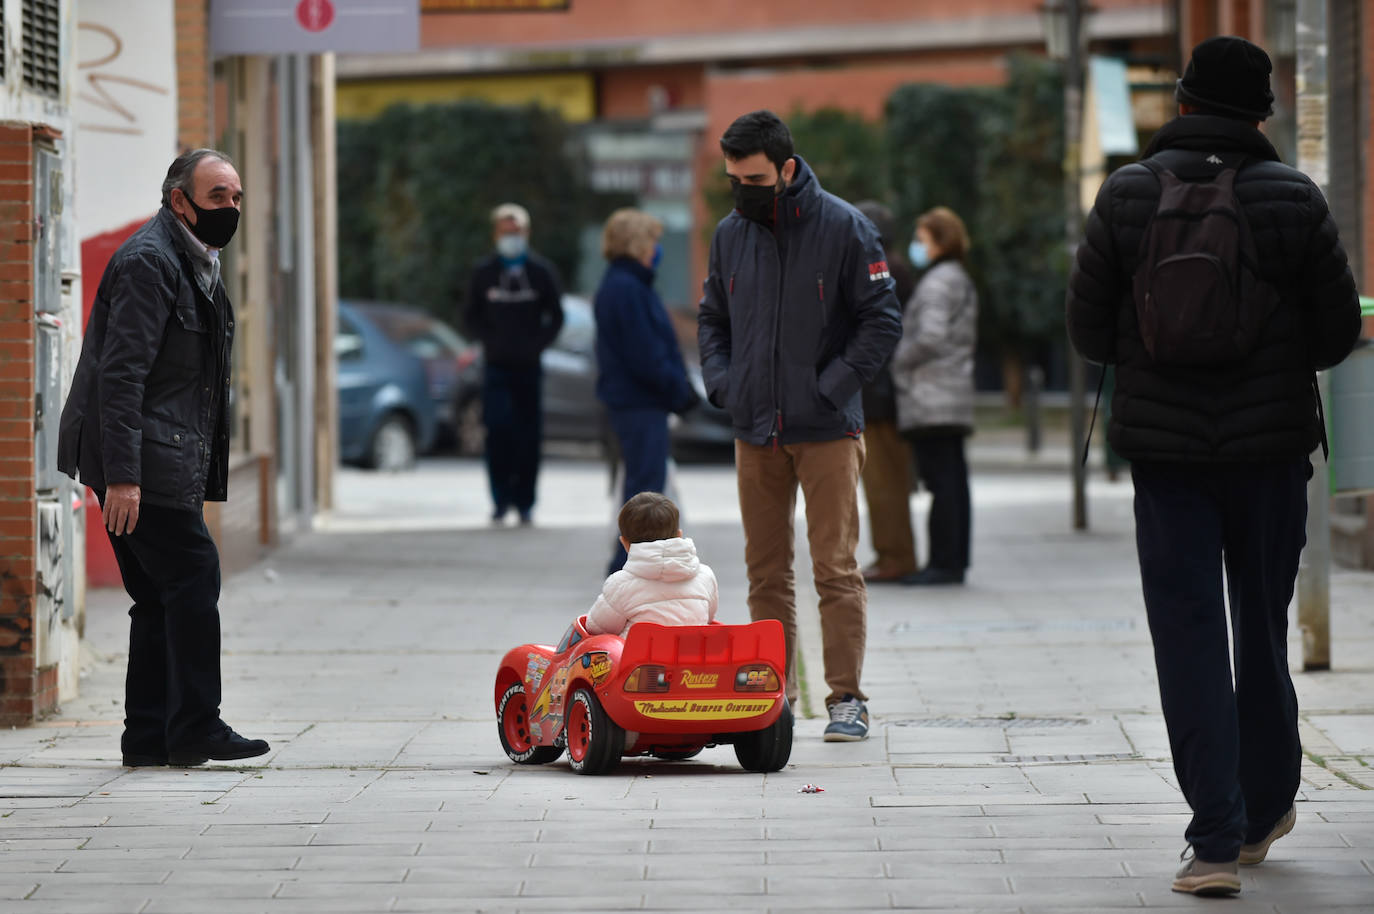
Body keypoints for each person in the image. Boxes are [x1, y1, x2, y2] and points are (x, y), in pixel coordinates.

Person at [1066, 36, 1361, 897]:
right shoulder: (1290, 195)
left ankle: (1214, 841)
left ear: (1183, 103)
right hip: (1269, 456)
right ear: (1261, 112)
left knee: (1189, 634)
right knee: (1259, 631)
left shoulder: (1126, 195)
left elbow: (1088, 332)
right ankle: (1268, 805)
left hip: (1165, 460)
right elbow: (1337, 332)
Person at [55, 149, 270, 768]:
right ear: (180, 201)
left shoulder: (194, 256)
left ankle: (149, 737)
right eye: (217, 198)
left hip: (158, 451)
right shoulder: (152, 262)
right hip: (141, 458)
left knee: (157, 596)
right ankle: (197, 725)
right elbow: (121, 378)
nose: (229, 208)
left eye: (235, 197)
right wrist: (124, 476)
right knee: (194, 575)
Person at [697, 110, 902, 742]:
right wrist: (725, 383)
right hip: (755, 427)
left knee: (834, 569)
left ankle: (846, 699)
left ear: (786, 168)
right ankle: (771, 696)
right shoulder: (732, 234)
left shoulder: (845, 228)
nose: (742, 190)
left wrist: (830, 387)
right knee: (765, 572)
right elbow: (713, 319)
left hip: (826, 431)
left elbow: (882, 321)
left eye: (753, 177)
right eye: (733, 178)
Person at [592, 209, 697, 575]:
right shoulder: (627, 288)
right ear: (636, 243)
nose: (657, 248)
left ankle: (630, 565)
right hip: (640, 403)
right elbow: (646, 353)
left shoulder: (626, 284)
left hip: (636, 401)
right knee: (643, 489)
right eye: (652, 240)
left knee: (642, 483)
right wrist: (678, 391)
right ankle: (627, 567)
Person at [891, 207, 978, 586]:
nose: (917, 246)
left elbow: (930, 335)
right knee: (953, 482)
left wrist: (899, 360)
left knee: (941, 483)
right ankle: (954, 560)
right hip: (950, 393)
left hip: (931, 396)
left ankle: (943, 563)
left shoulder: (939, 282)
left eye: (922, 239)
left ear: (940, 241)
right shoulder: (957, 278)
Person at [464, 203, 564, 525]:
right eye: (506, 232)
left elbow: (556, 316)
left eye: (517, 231)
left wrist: (537, 344)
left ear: (527, 233)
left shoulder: (541, 272)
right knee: (497, 432)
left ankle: (525, 503)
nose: (512, 237)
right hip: (496, 367)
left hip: (529, 368)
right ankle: (499, 500)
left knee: (528, 436)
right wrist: (490, 342)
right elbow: (470, 316)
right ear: (496, 233)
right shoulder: (483, 273)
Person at [853, 201, 919, 584]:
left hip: (881, 396)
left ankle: (895, 555)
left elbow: (880, 336)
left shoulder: (885, 270)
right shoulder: (891, 267)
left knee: (885, 483)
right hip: (881, 393)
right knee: (882, 482)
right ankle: (891, 553)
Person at [585, 493, 718, 637]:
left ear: (625, 543)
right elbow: (709, 617)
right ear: (679, 535)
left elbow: (596, 627)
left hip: (640, 658)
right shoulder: (705, 576)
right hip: (692, 655)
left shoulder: (620, 584)